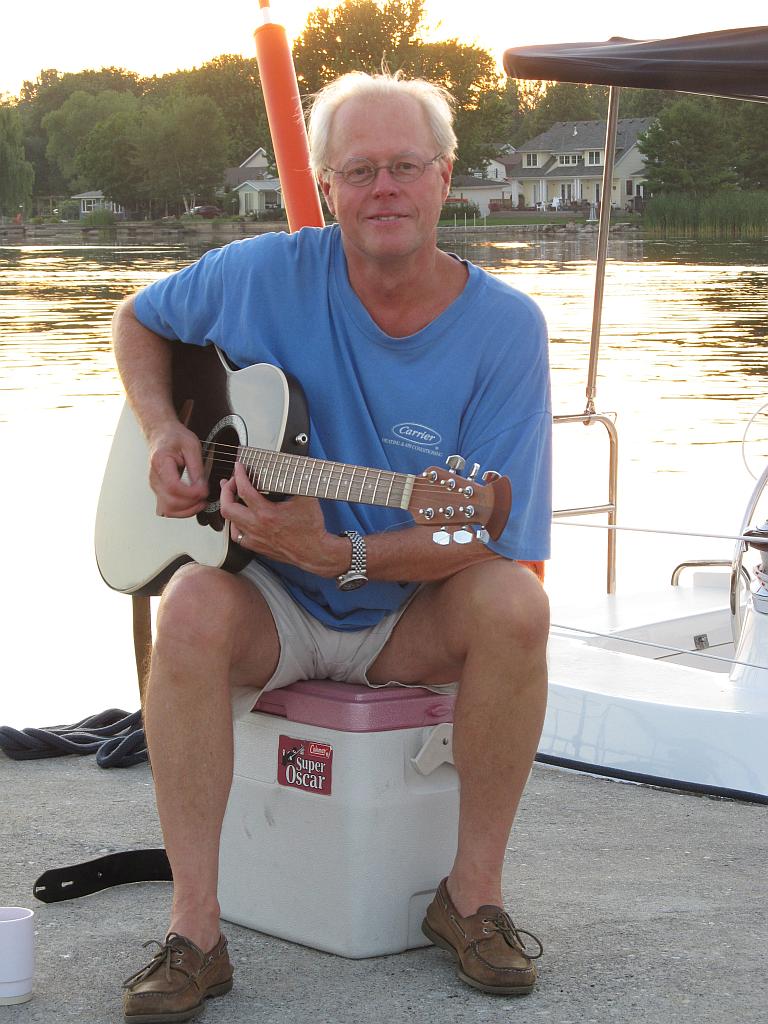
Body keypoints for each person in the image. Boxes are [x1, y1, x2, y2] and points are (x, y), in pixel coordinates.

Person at [115, 71, 551, 1022]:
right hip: (268, 598)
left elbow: (484, 529)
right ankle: (196, 931)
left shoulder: (506, 329)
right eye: (359, 171)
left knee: (516, 600)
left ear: (445, 176)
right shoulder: (259, 272)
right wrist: (163, 431)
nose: (383, 188)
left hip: (407, 613)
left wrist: (340, 555)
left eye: (405, 166)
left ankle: (471, 898)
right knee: (188, 607)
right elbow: (138, 320)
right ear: (325, 186)